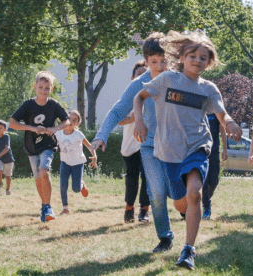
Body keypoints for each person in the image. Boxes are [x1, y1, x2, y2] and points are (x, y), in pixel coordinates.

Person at [133, 31, 242, 270]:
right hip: (169, 151)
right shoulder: (167, 79)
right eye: (192, 55)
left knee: (195, 194)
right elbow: (139, 97)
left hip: (197, 146)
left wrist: (230, 123)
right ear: (181, 57)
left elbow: (221, 113)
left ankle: (188, 250)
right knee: (180, 200)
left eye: (203, 57)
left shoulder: (209, 88)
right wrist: (139, 121)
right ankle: (182, 219)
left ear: (209, 62)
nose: (197, 60)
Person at [91, 33, 176, 251]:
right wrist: (102, 135)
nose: (159, 66)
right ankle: (165, 237)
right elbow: (118, 110)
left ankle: (182, 202)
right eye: (154, 62)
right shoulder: (139, 83)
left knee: (176, 193)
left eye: (164, 61)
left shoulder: (178, 79)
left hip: (175, 144)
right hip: (148, 145)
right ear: (146, 62)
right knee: (155, 191)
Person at [9, 71, 69, 222]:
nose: (44, 91)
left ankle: (48, 206)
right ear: (35, 87)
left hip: (48, 144)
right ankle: (44, 206)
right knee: (38, 178)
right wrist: (31, 128)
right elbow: (12, 123)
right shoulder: (28, 105)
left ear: (51, 89)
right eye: (41, 87)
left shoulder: (54, 105)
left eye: (47, 88)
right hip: (31, 147)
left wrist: (55, 128)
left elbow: (67, 121)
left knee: (44, 171)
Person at [111, 60, 152, 223]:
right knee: (132, 177)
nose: (142, 77)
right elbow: (116, 119)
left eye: (145, 74)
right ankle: (129, 208)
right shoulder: (127, 97)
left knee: (148, 176)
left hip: (147, 144)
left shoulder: (153, 97)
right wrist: (132, 118)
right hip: (130, 145)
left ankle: (144, 210)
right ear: (132, 78)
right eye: (139, 74)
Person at [55, 110, 98, 215]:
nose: (71, 121)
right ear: (65, 119)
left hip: (78, 163)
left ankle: (81, 185)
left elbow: (89, 146)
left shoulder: (78, 134)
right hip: (65, 162)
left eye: (74, 120)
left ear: (77, 123)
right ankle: (65, 208)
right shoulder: (58, 133)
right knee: (63, 185)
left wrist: (95, 157)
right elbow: (53, 144)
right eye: (69, 118)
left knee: (76, 188)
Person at [200, 114, 227, 220]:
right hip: (201, 150)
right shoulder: (199, 109)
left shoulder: (215, 112)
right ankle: (206, 207)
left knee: (214, 181)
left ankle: (206, 197)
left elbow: (222, 130)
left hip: (214, 150)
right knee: (204, 181)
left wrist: (225, 149)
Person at [0, 120, 15, 195]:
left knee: (8, 176)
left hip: (8, 159)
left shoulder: (6, 137)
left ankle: (8, 189)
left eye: (1, 128)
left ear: (5, 129)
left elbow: (7, 148)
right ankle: (0, 182)